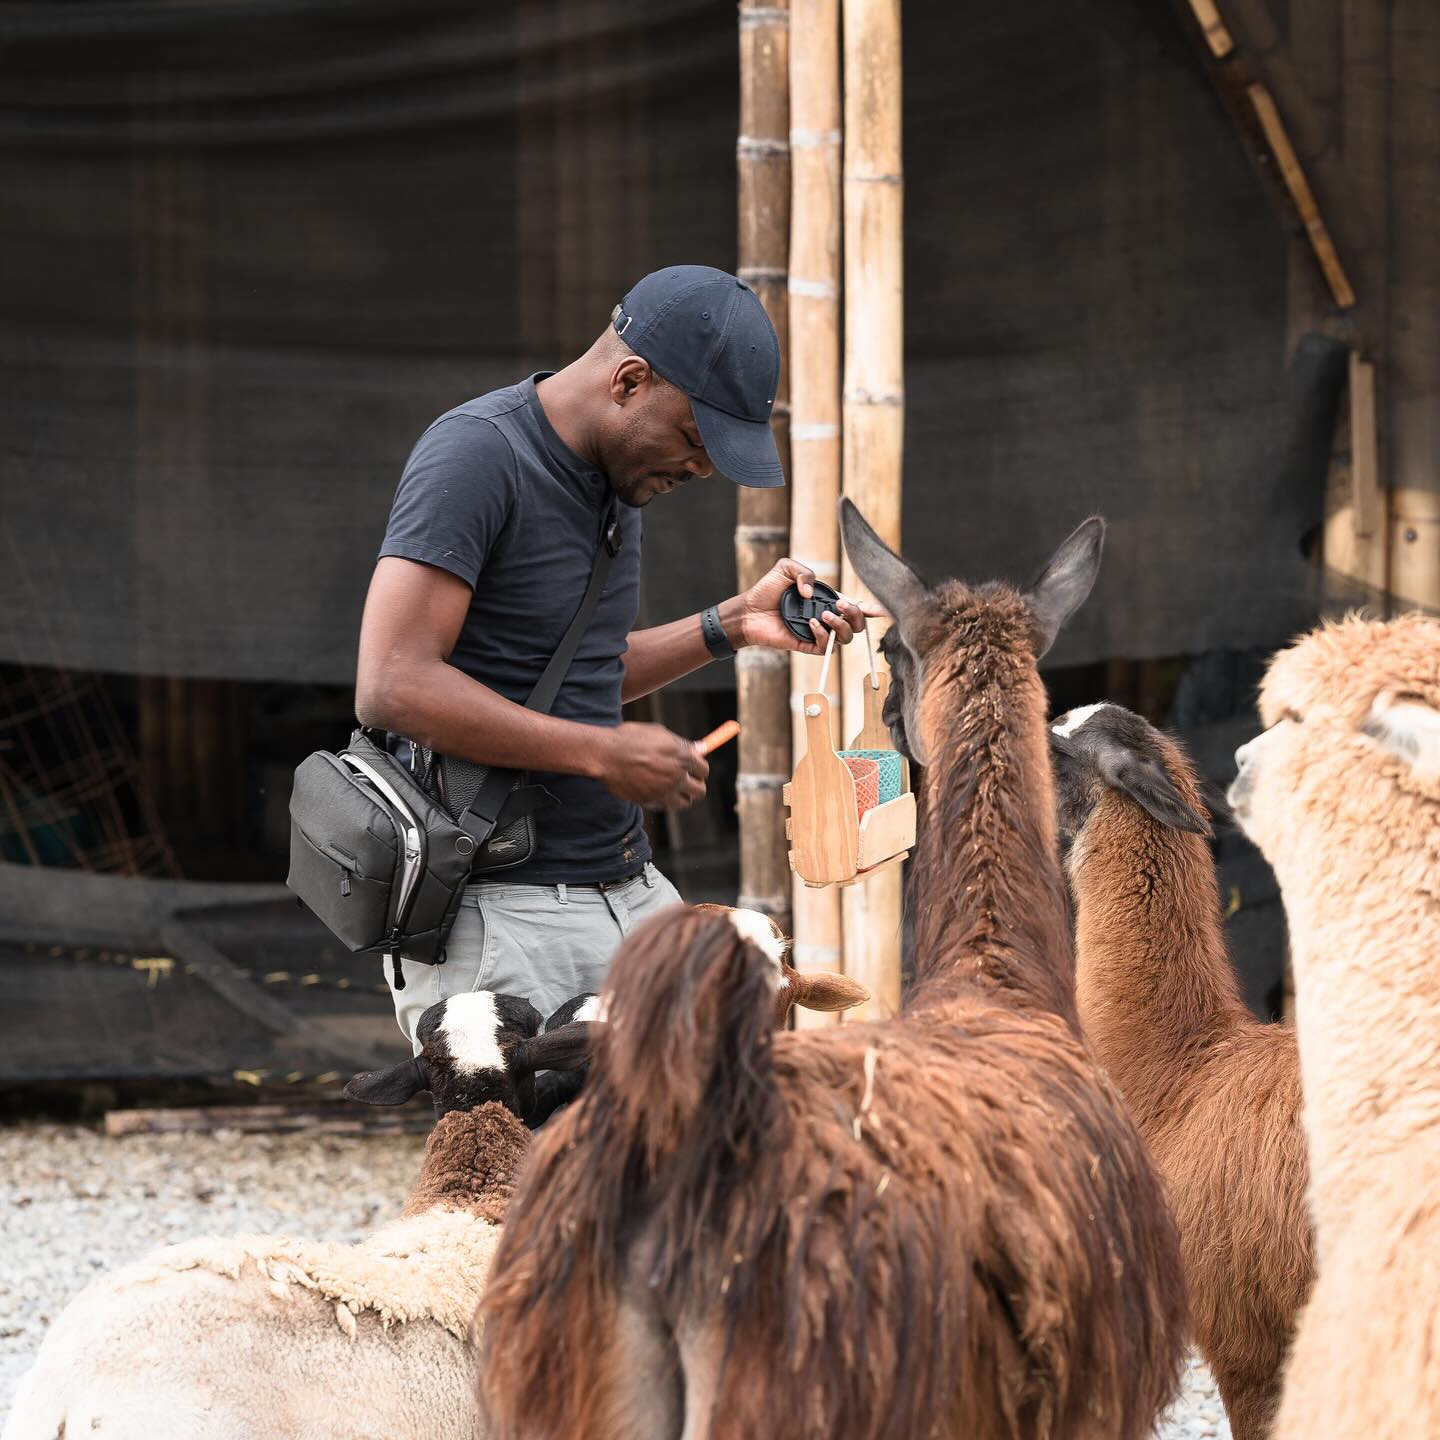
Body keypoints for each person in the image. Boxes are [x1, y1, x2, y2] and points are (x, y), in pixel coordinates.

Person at [356, 264, 875, 1046]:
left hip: (624, 890)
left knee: (699, 1150)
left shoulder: (613, 480)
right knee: (528, 1167)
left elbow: (571, 677)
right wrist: (602, 753)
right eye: (695, 441)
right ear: (630, 381)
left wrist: (729, 624)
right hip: (502, 912)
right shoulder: (476, 457)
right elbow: (392, 685)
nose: (699, 470)